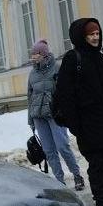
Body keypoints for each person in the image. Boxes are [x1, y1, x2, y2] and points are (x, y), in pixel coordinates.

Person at [53, 18, 103, 206]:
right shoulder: (72, 59)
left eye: (97, 34)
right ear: (81, 37)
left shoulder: (101, 60)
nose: (95, 37)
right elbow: (65, 95)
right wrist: (76, 126)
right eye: (91, 35)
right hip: (86, 123)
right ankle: (101, 205)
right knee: (97, 165)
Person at [27, 39, 86, 191]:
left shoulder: (57, 69)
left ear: (44, 54)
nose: (33, 56)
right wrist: (31, 120)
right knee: (49, 150)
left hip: (55, 115)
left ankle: (77, 175)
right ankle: (59, 181)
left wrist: (67, 113)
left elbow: (65, 92)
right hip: (38, 116)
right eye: (32, 54)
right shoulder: (32, 74)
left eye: (36, 53)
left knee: (63, 146)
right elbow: (30, 97)